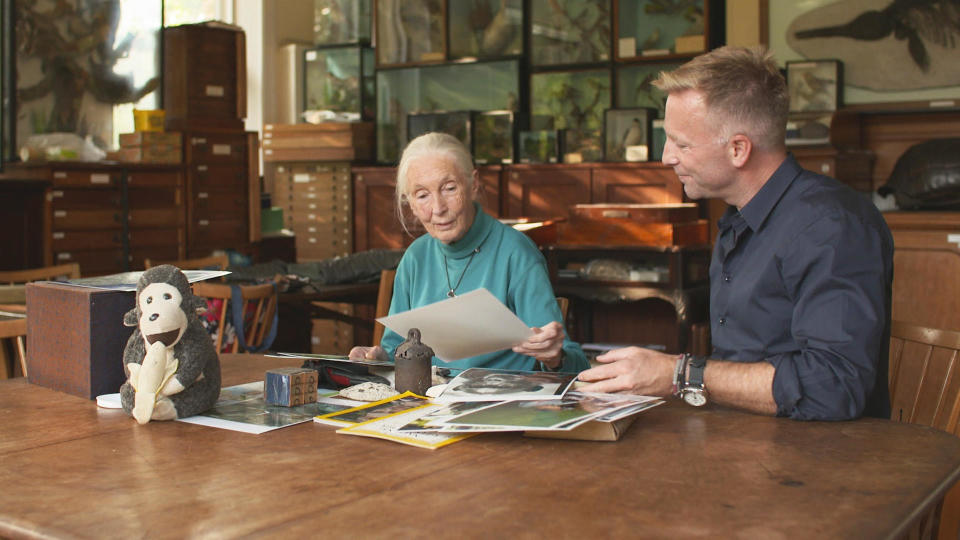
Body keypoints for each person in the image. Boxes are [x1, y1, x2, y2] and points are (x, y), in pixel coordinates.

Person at [577, 46, 894, 421]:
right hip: (743, 439)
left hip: (821, 461)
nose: (666, 157)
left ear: (739, 149)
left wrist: (679, 374)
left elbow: (833, 388)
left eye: (681, 143)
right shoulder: (737, 219)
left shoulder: (831, 226)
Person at [349, 132, 588, 374]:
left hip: (501, 405)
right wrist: (378, 357)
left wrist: (554, 357)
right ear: (410, 202)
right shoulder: (415, 257)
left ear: (473, 184)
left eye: (449, 189)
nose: (438, 208)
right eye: (422, 195)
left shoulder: (516, 252)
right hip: (430, 405)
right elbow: (395, 352)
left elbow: (576, 365)